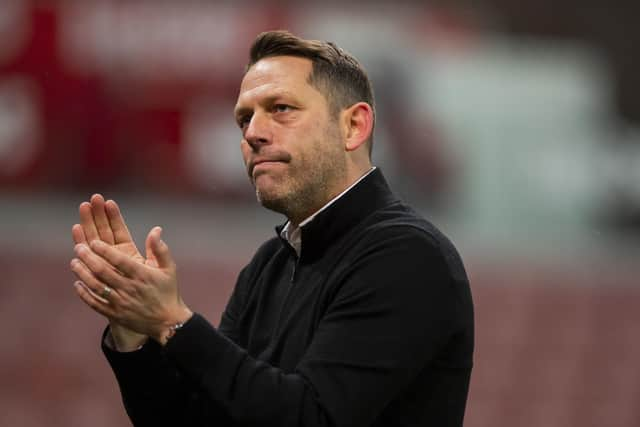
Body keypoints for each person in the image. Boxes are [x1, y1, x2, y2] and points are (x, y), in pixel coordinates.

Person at [69, 30, 474, 427]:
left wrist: (171, 321)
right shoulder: (269, 264)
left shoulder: (406, 256)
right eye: (244, 118)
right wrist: (134, 331)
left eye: (281, 108)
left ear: (353, 126)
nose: (252, 133)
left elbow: (311, 416)